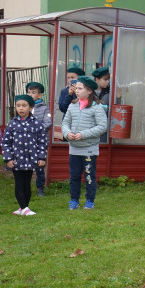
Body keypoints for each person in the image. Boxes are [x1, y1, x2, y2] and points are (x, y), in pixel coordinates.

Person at [62, 75, 108, 211]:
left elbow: (102, 126)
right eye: (76, 88)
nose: (77, 91)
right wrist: (67, 133)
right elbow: (65, 123)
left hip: (89, 149)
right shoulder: (72, 105)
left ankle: (89, 201)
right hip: (74, 148)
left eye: (80, 88)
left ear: (89, 91)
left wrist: (83, 134)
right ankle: (74, 200)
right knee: (74, 176)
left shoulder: (97, 107)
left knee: (89, 176)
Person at [2, 94, 49, 216]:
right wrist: (8, 159)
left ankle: (23, 207)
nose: (21, 108)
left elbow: (42, 142)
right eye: (18, 106)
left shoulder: (37, 124)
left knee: (27, 183)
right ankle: (23, 207)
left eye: (24, 105)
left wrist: (41, 157)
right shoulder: (12, 124)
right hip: (16, 160)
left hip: (30, 159)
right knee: (19, 183)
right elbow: (6, 142)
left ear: (31, 107)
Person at [26, 81, 51, 197]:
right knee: (26, 164)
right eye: (29, 92)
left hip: (40, 142)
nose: (30, 94)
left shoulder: (44, 109)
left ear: (40, 95)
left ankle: (40, 188)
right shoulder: (25, 107)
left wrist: (34, 130)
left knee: (40, 165)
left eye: (33, 93)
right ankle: (25, 186)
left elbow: (48, 123)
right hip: (26, 142)